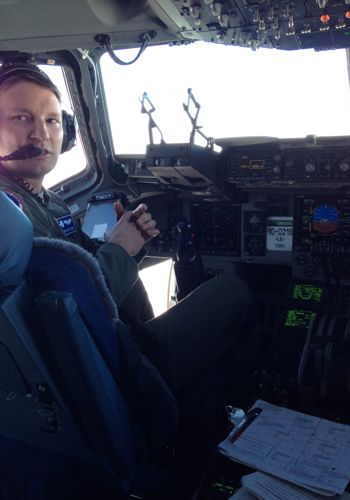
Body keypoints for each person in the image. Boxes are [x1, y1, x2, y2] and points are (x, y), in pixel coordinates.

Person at [0, 62, 257, 442]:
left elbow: (71, 269)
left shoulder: (43, 203)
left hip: (97, 357)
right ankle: (221, 419)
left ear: (68, 133)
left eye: (53, 121)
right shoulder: (12, 216)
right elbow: (73, 303)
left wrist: (122, 244)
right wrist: (120, 250)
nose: (41, 132)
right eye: (22, 117)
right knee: (234, 292)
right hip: (107, 370)